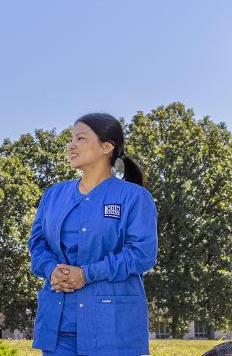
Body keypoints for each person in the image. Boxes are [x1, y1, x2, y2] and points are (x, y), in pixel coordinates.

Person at [29, 113, 158, 356]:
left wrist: (86, 274)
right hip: (59, 325)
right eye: (70, 139)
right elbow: (38, 243)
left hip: (112, 327)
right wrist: (50, 269)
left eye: (80, 138)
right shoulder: (53, 195)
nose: (71, 145)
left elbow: (142, 254)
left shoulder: (134, 198)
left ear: (106, 147)